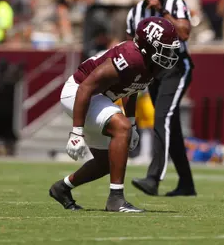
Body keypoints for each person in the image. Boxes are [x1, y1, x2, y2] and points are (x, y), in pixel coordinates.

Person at [49, 17, 181, 212]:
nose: (168, 53)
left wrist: (132, 123)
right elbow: (86, 86)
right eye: (164, 47)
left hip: (96, 97)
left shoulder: (148, 62)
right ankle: (116, 200)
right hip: (78, 92)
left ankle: (62, 188)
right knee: (121, 129)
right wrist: (76, 132)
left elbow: (131, 89)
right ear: (148, 44)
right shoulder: (130, 57)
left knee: (106, 163)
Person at [126, 0, 196, 197]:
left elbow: (185, 33)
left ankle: (153, 178)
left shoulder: (175, 3)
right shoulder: (135, 12)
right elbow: (132, 44)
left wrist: (163, 12)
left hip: (176, 67)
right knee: (171, 126)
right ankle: (186, 184)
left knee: (162, 117)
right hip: (153, 71)